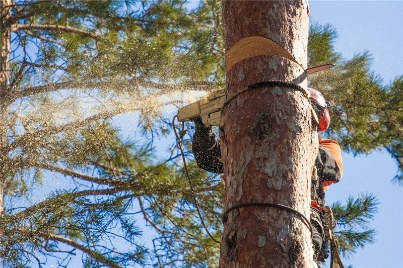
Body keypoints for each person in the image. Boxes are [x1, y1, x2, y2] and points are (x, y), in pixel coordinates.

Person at [190, 87, 343, 265]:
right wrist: (202, 127)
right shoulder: (253, 143)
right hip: (249, 216)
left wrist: (288, 137)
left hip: (304, 214)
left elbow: (333, 169)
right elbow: (210, 159)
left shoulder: (326, 146)